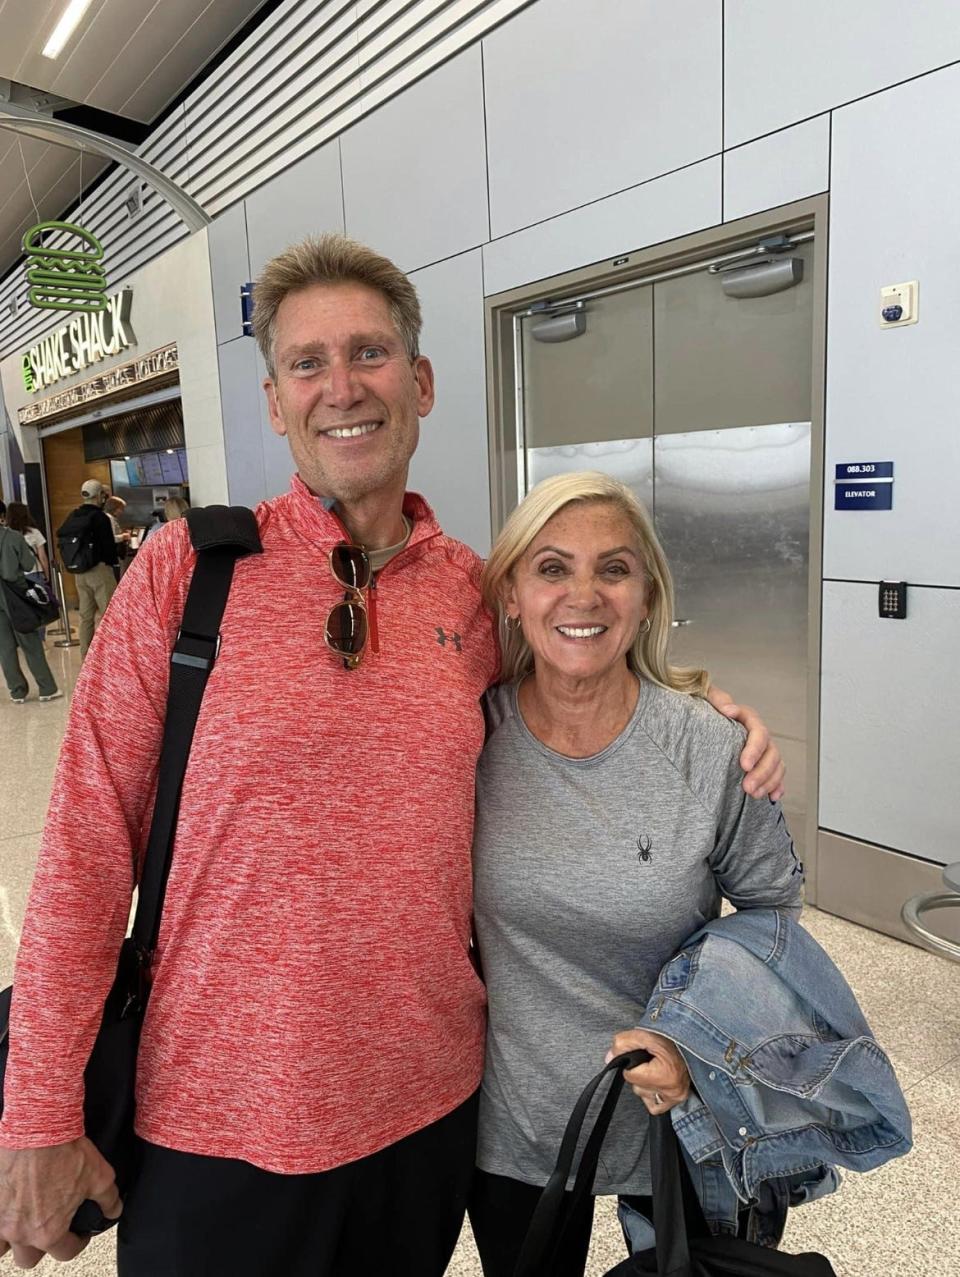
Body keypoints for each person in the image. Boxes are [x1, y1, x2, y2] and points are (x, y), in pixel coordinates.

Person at [0, 236, 782, 1277]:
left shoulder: (469, 589)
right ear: (275, 401)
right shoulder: (187, 574)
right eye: (308, 363)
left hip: (426, 1116)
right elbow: (83, 858)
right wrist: (40, 1112)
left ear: (418, 384)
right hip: (213, 1121)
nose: (342, 387)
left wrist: (702, 704)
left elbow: (582, 667)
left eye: (369, 354)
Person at [468, 471, 804, 1277]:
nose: (583, 594)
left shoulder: (706, 746)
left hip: (683, 1114)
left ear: (646, 594)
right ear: (511, 592)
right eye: (552, 567)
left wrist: (696, 1043)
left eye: (613, 569)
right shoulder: (470, 736)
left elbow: (773, 914)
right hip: (519, 1126)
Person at [0, 521, 62, 705]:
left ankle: (17, 691)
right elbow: (28, 565)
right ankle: (47, 688)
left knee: (5, 648)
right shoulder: (12, 536)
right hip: (15, 595)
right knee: (31, 643)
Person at [56, 480, 119, 658]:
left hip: (80, 573)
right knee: (109, 615)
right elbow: (108, 546)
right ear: (100, 496)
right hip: (99, 570)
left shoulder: (74, 515)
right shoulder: (100, 517)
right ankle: (111, 655)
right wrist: (113, 564)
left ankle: (87, 657)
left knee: (86, 617)